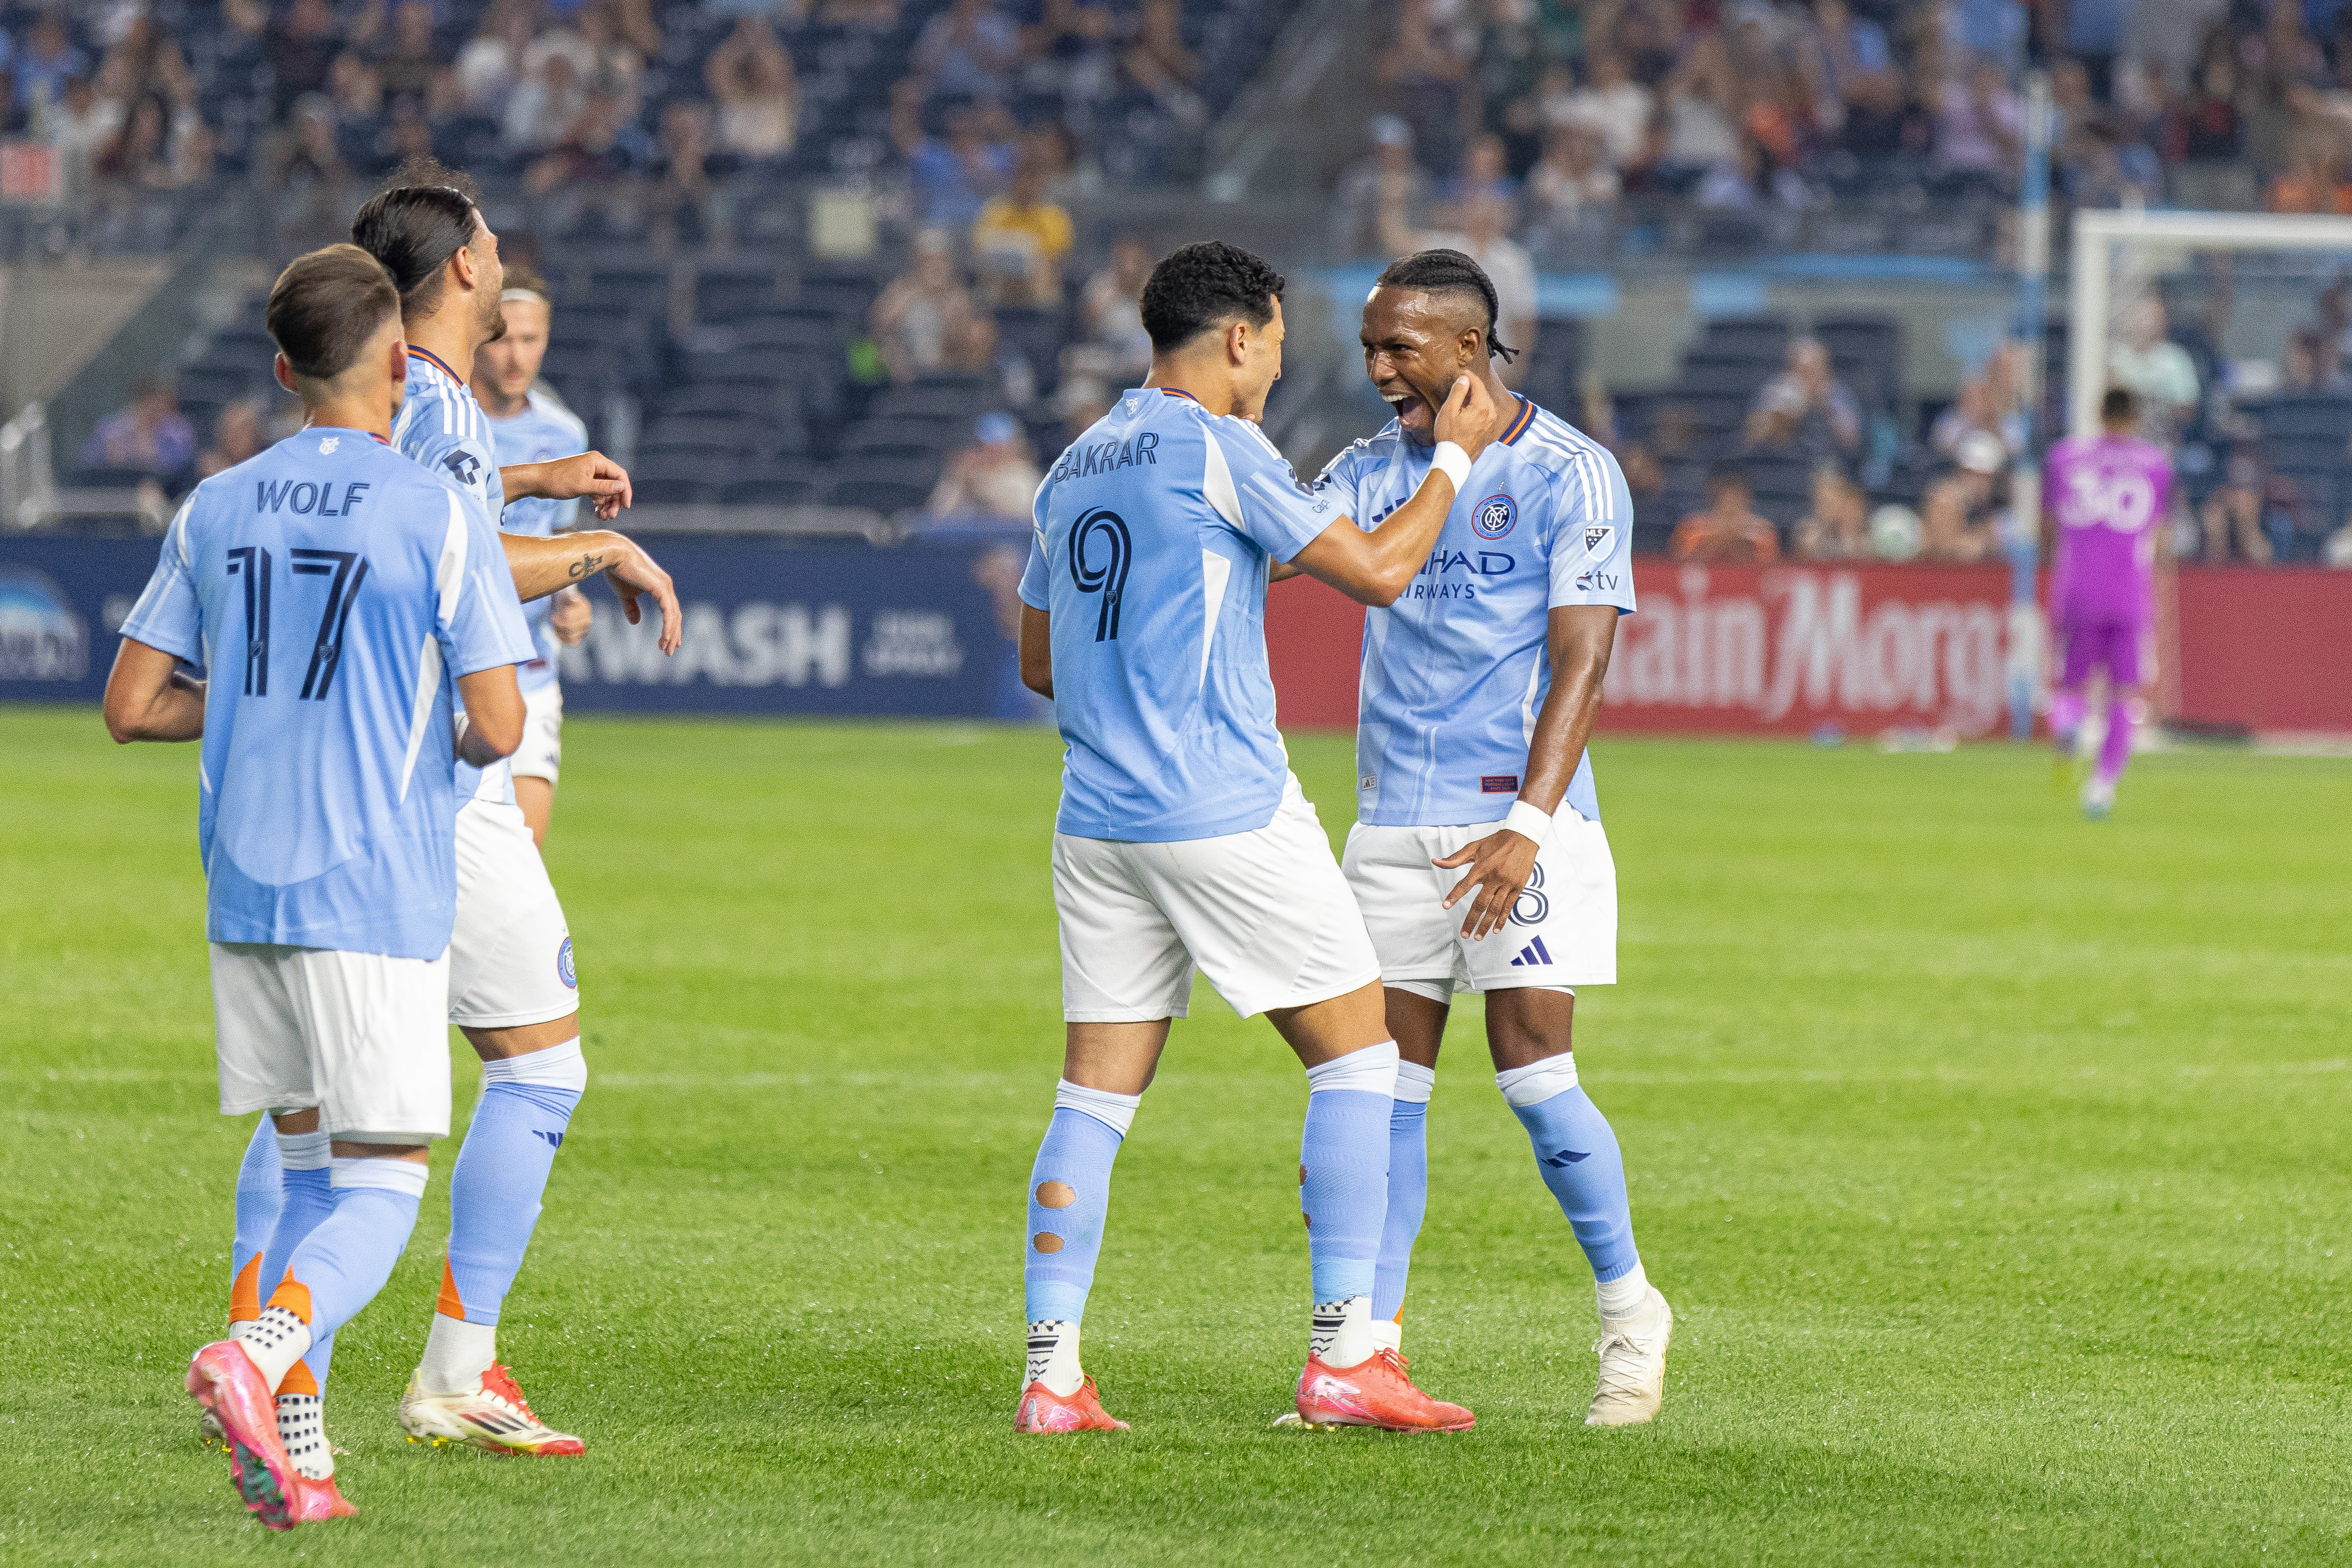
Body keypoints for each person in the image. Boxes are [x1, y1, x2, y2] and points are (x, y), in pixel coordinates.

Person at [208, 180, 684, 1463]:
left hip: (310, 793)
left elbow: (435, 519)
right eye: (490, 242)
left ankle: (268, 1347)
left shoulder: (397, 396)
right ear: (469, 266)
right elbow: (461, 572)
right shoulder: (444, 401)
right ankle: (445, 1368)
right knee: (539, 1064)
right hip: (436, 784)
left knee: (310, 1098)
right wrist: (595, 548)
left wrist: (533, 479)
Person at [1010, 239, 1500, 1434]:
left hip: (1097, 819)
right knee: (1360, 1056)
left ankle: (1052, 1373)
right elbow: (1381, 570)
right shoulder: (1220, 446)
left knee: (1094, 1094)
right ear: (1237, 336)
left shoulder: (1075, 463)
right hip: (1220, 804)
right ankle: (1345, 1354)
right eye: (1277, 343)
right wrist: (1454, 457)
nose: (1280, 366)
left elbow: (1039, 660)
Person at [105, 242, 535, 1529]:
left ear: (285, 370)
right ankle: (256, 1349)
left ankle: (301, 1459)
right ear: (402, 361)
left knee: (301, 1169)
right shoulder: (431, 509)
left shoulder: (217, 503)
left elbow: (133, 706)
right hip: (370, 890)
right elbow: (500, 724)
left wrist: (254, 699)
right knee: (386, 1177)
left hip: (244, 893)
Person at [1311, 247, 1671, 1429]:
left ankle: (1629, 1309)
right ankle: (1368, 1352)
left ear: (1469, 347)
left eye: (1397, 347)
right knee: (1384, 1087)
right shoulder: (1370, 470)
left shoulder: (1573, 472)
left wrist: (1529, 822)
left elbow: (1585, 658)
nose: (1377, 370)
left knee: (1535, 1074)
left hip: (1513, 823)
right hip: (1390, 821)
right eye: (1369, 346)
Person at [473, 269, 593, 846]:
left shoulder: (565, 433)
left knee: (520, 866)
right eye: (502, 338)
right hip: (452, 672)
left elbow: (559, 546)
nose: (516, 356)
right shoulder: (441, 425)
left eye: (531, 339)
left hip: (532, 674)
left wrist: (572, 602)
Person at [2045, 387, 2172, 820]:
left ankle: (2067, 728)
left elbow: (2049, 527)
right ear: (2134, 418)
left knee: (2072, 683)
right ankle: (2101, 787)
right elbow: (2161, 533)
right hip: (2128, 595)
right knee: (2123, 693)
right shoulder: (2155, 465)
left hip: (2078, 589)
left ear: (2099, 413)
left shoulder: (2064, 458)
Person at [871, 228, 982, 381]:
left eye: (940, 260)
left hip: (947, 378)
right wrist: (918, 292)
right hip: (905, 380)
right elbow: (881, 324)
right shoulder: (901, 289)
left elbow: (963, 338)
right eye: (927, 261)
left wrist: (941, 299)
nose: (934, 266)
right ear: (916, 263)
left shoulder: (957, 295)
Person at [969, 152, 1073, 307]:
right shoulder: (995, 210)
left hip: (1036, 279)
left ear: (1040, 183)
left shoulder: (1055, 217)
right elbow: (980, 250)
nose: (1026, 185)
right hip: (1000, 276)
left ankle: (1039, 321)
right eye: (1022, 178)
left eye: (1032, 180)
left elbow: (1055, 260)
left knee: (1043, 270)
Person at [1744, 337, 1861, 461]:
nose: (1813, 377)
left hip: (1825, 464)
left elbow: (1853, 443)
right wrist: (1792, 409)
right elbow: (1751, 439)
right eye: (1805, 371)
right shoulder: (1776, 391)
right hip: (1780, 463)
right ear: (1792, 370)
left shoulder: (1838, 393)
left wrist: (1827, 409)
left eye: (1818, 369)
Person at [924, 411, 1041, 523]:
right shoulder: (965, 472)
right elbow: (938, 516)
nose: (994, 450)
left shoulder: (1024, 475)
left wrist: (981, 491)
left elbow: (1022, 520)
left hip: (1009, 541)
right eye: (988, 444)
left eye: (1000, 444)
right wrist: (959, 479)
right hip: (966, 540)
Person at [80, 376, 196, 483]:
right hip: (115, 485)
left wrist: (147, 439)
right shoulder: (109, 427)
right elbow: (89, 461)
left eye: (165, 402)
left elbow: (182, 465)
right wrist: (109, 455)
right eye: (150, 402)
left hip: (164, 487)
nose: (161, 408)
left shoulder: (177, 427)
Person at [1670, 469, 1779, 563]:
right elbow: (1680, 560)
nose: (1731, 505)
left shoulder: (1763, 529)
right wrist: (1718, 541)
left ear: (1747, 500)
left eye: (1736, 498)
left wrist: (1738, 541)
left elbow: (1768, 565)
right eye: (1726, 499)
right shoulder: (1693, 525)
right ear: (1715, 500)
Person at [1791, 462, 1873, 560]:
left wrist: (1847, 534)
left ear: (1848, 501)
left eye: (1827, 502)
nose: (1821, 509)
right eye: (1818, 503)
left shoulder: (1870, 540)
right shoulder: (1809, 534)